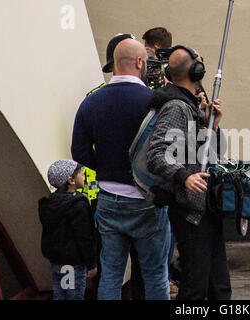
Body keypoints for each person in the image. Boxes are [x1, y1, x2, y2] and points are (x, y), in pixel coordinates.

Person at [71, 38, 171, 300]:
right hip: (148, 200)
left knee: (111, 274)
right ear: (140, 62)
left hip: (108, 200)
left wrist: (105, 166)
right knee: (155, 275)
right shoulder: (155, 102)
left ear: (114, 64)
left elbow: (79, 152)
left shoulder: (91, 102)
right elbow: (170, 152)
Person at [146, 45, 232, 300]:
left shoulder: (191, 106)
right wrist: (184, 177)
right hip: (190, 213)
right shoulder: (176, 107)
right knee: (195, 288)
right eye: (199, 61)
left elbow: (206, 153)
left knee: (219, 288)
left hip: (206, 207)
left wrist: (211, 126)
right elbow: (156, 154)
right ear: (196, 69)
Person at [39, 159, 97, 300]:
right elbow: (84, 237)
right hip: (73, 262)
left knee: (59, 292)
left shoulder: (50, 203)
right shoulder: (78, 205)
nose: (83, 177)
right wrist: (91, 263)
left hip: (56, 260)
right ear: (71, 180)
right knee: (74, 294)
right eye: (80, 174)